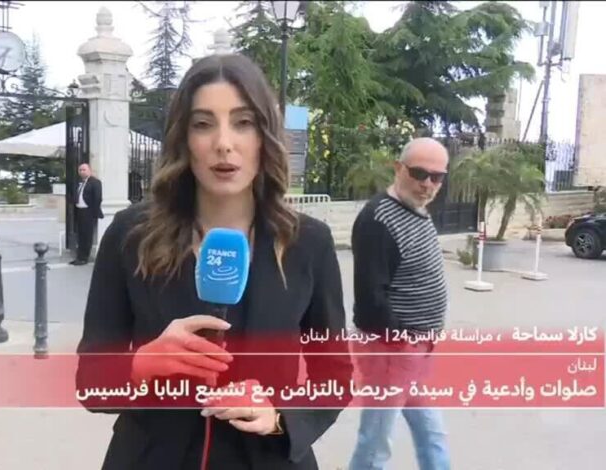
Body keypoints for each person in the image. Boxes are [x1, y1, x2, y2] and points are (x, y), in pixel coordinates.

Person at [75, 53, 352, 470]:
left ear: (264, 136)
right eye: (203, 124)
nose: (224, 142)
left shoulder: (307, 242)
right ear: (184, 139)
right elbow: (91, 383)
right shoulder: (130, 235)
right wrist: (139, 365)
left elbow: (334, 377)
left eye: (243, 122)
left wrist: (279, 417)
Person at [347, 137, 451, 470]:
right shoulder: (378, 220)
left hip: (415, 348)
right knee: (375, 443)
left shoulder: (417, 209)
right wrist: (402, 341)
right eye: (419, 173)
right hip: (392, 350)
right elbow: (369, 300)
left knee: (431, 432)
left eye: (437, 177)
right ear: (398, 168)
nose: (427, 184)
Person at [71, 163, 103, 265]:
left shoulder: (95, 182)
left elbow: (98, 198)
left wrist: (93, 212)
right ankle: (79, 257)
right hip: (79, 211)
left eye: (84, 169)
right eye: (80, 170)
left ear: (89, 170)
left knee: (87, 236)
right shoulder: (79, 183)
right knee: (80, 235)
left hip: (89, 212)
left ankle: (84, 258)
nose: (81, 172)